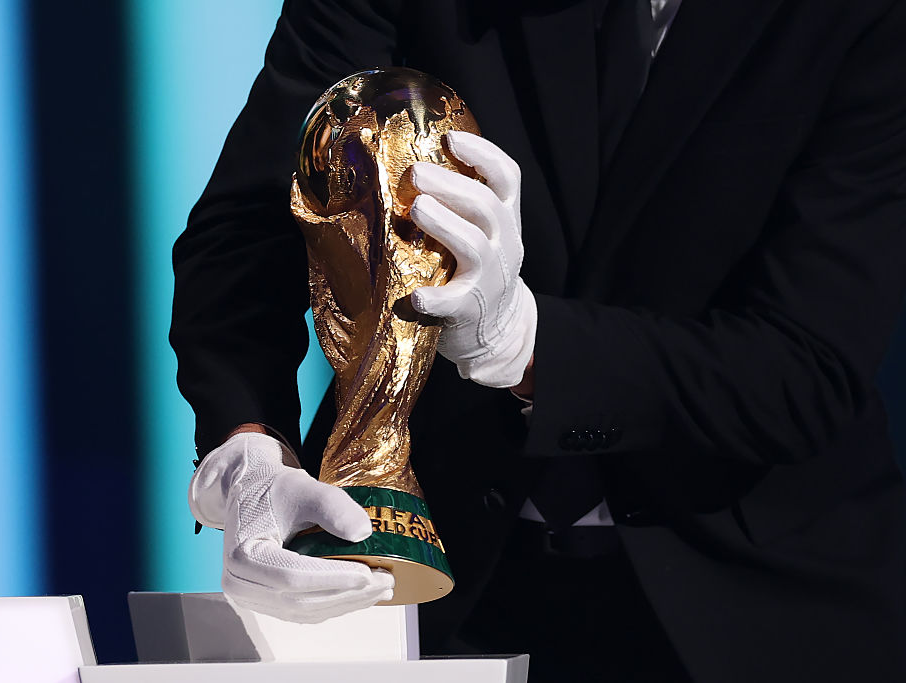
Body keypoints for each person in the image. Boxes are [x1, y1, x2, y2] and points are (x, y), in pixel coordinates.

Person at [171, 1, 906, 681]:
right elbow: (256, 220)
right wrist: (250, 445)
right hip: (420, 573)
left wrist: (526, 347)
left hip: (756, 600)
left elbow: (807, 366)